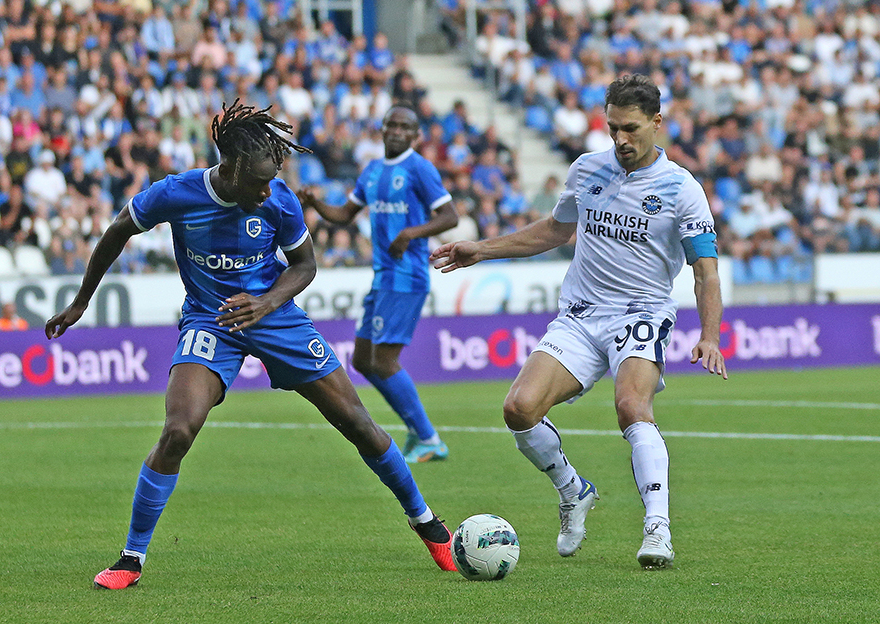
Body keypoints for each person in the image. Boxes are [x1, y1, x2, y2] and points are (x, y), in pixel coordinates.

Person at [45, 102, 456, 590]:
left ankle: (429, 525)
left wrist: (264, 303)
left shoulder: (279, 198)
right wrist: (79, 303)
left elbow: (304, 266)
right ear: (231, 167)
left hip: (275, 316)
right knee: (177, 431)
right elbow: (116, 232)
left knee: (356, 422)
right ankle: (131, 558)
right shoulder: (174, 194)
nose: (266, 192)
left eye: (271, 181)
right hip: (210, 320)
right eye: (258, 182)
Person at [431, 74, 728, 569]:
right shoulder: (587, 170)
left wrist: (710, 335)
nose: (621, 140)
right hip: (580, 316)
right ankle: (574, 490)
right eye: (612, 128)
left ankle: (658, 528)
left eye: (631, 129)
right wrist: (480, 249)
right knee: (519, 409)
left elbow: (705, 269)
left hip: (641, 311)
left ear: (657, 123)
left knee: (632, 404)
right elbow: (554, 230)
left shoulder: (681, 190)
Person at [298, 106, 459, 463]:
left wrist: (410, 233)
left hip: (407, 276)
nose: (397, 131)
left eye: (406, 126)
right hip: (382, 276)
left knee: (383, 362)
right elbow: (345, 215)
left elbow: (450, 216)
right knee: (363, 360)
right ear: (382, 129)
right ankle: (421, 436)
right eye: (392, 125)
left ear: (415, 135)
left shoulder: (419, 168)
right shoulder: (372, 170)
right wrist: (316, 203)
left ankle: (428, 437)